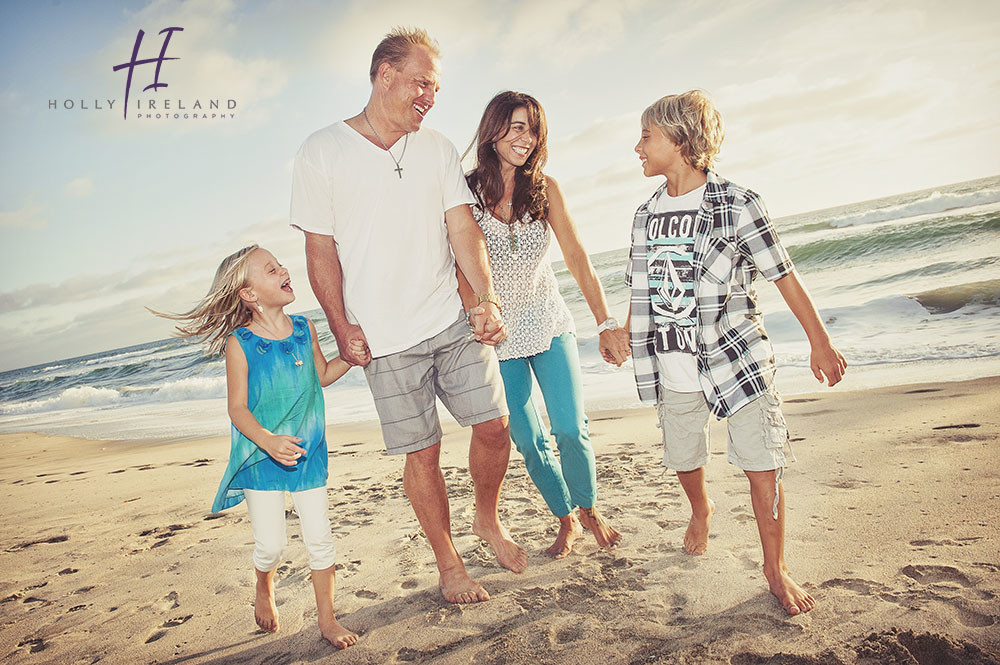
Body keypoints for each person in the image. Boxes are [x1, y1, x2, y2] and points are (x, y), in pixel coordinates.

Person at [289, 27, 526, 605]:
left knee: (496, 427)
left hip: (450, 317)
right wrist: (341, 326)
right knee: (423, 452)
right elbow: (319, 252)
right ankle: (449, 563)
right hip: (384, 339)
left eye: (437, 88)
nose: (430, 96)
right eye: (422, 82)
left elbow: (462, 229)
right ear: (384, 74)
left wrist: (485, 299)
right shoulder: (322, 150)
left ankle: (486, 518)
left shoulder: (438, 148)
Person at [621, 90, 847, 615]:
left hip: (735, 359)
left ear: (678, 141)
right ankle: (701, 509)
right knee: (683, 455)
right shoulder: (645, 214)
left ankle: (775, 568)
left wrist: (820, 340)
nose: (638, 147)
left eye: (646, 136)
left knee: (762, 462)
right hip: (672, 363)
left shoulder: (737, 203)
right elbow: (642, 288)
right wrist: (622, 331)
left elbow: (783, 273)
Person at [152, 245, 360, 648]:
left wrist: (349, 357)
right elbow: (237, 409)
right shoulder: (240, 343)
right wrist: (267, 441)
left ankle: (328, 620)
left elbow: (323, 374)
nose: (283, 269)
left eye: (280, 264)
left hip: (308, 451)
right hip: (261, 457)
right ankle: (263, 584)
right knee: (272, 545)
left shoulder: (304, 329)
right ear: (249, 294)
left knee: (320, 538)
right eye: (270, 269)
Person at [461, 91, 630, 558]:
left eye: (532, 129)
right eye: (516, 126)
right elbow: (460, 266)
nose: (525, 138)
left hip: (549, 322)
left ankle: (590, 508)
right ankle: (565, 518)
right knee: (528, 440)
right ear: (493, 129)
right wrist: (477, 313)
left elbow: (576, 257)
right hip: (497, 337)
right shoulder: (466, 192)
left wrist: (607, 322)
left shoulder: (545, 187)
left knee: (570, 429)